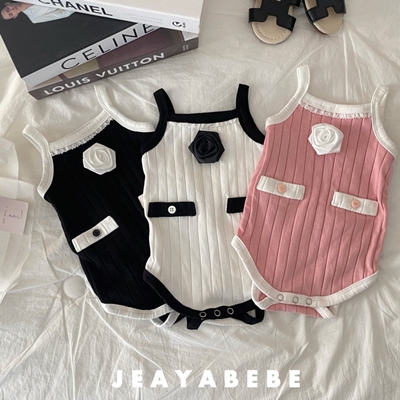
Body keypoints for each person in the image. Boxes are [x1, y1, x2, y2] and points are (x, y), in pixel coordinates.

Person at [1, 1, 73, 23]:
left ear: (7, 3)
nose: (12, 10)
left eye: (8, 9)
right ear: (15, 16)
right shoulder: (34, 18)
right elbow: (63, 13)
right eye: (11, 14)